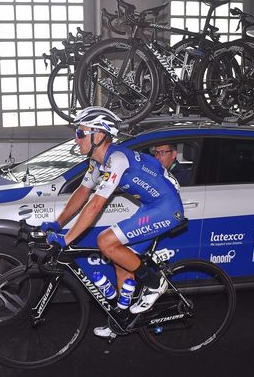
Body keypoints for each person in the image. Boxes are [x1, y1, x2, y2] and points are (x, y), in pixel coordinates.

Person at [41, 106, 184, 338]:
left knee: (105, 241)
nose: (76, 140)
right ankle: (121, 319)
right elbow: (82, 193)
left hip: (166, 209)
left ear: (98, 135)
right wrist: (57, 224)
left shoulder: (116, 159)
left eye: (80, 133)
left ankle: (155, 282)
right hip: (150, 207)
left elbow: (95, 206)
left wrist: (65, 240)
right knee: (121, 261)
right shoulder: (97, 162)